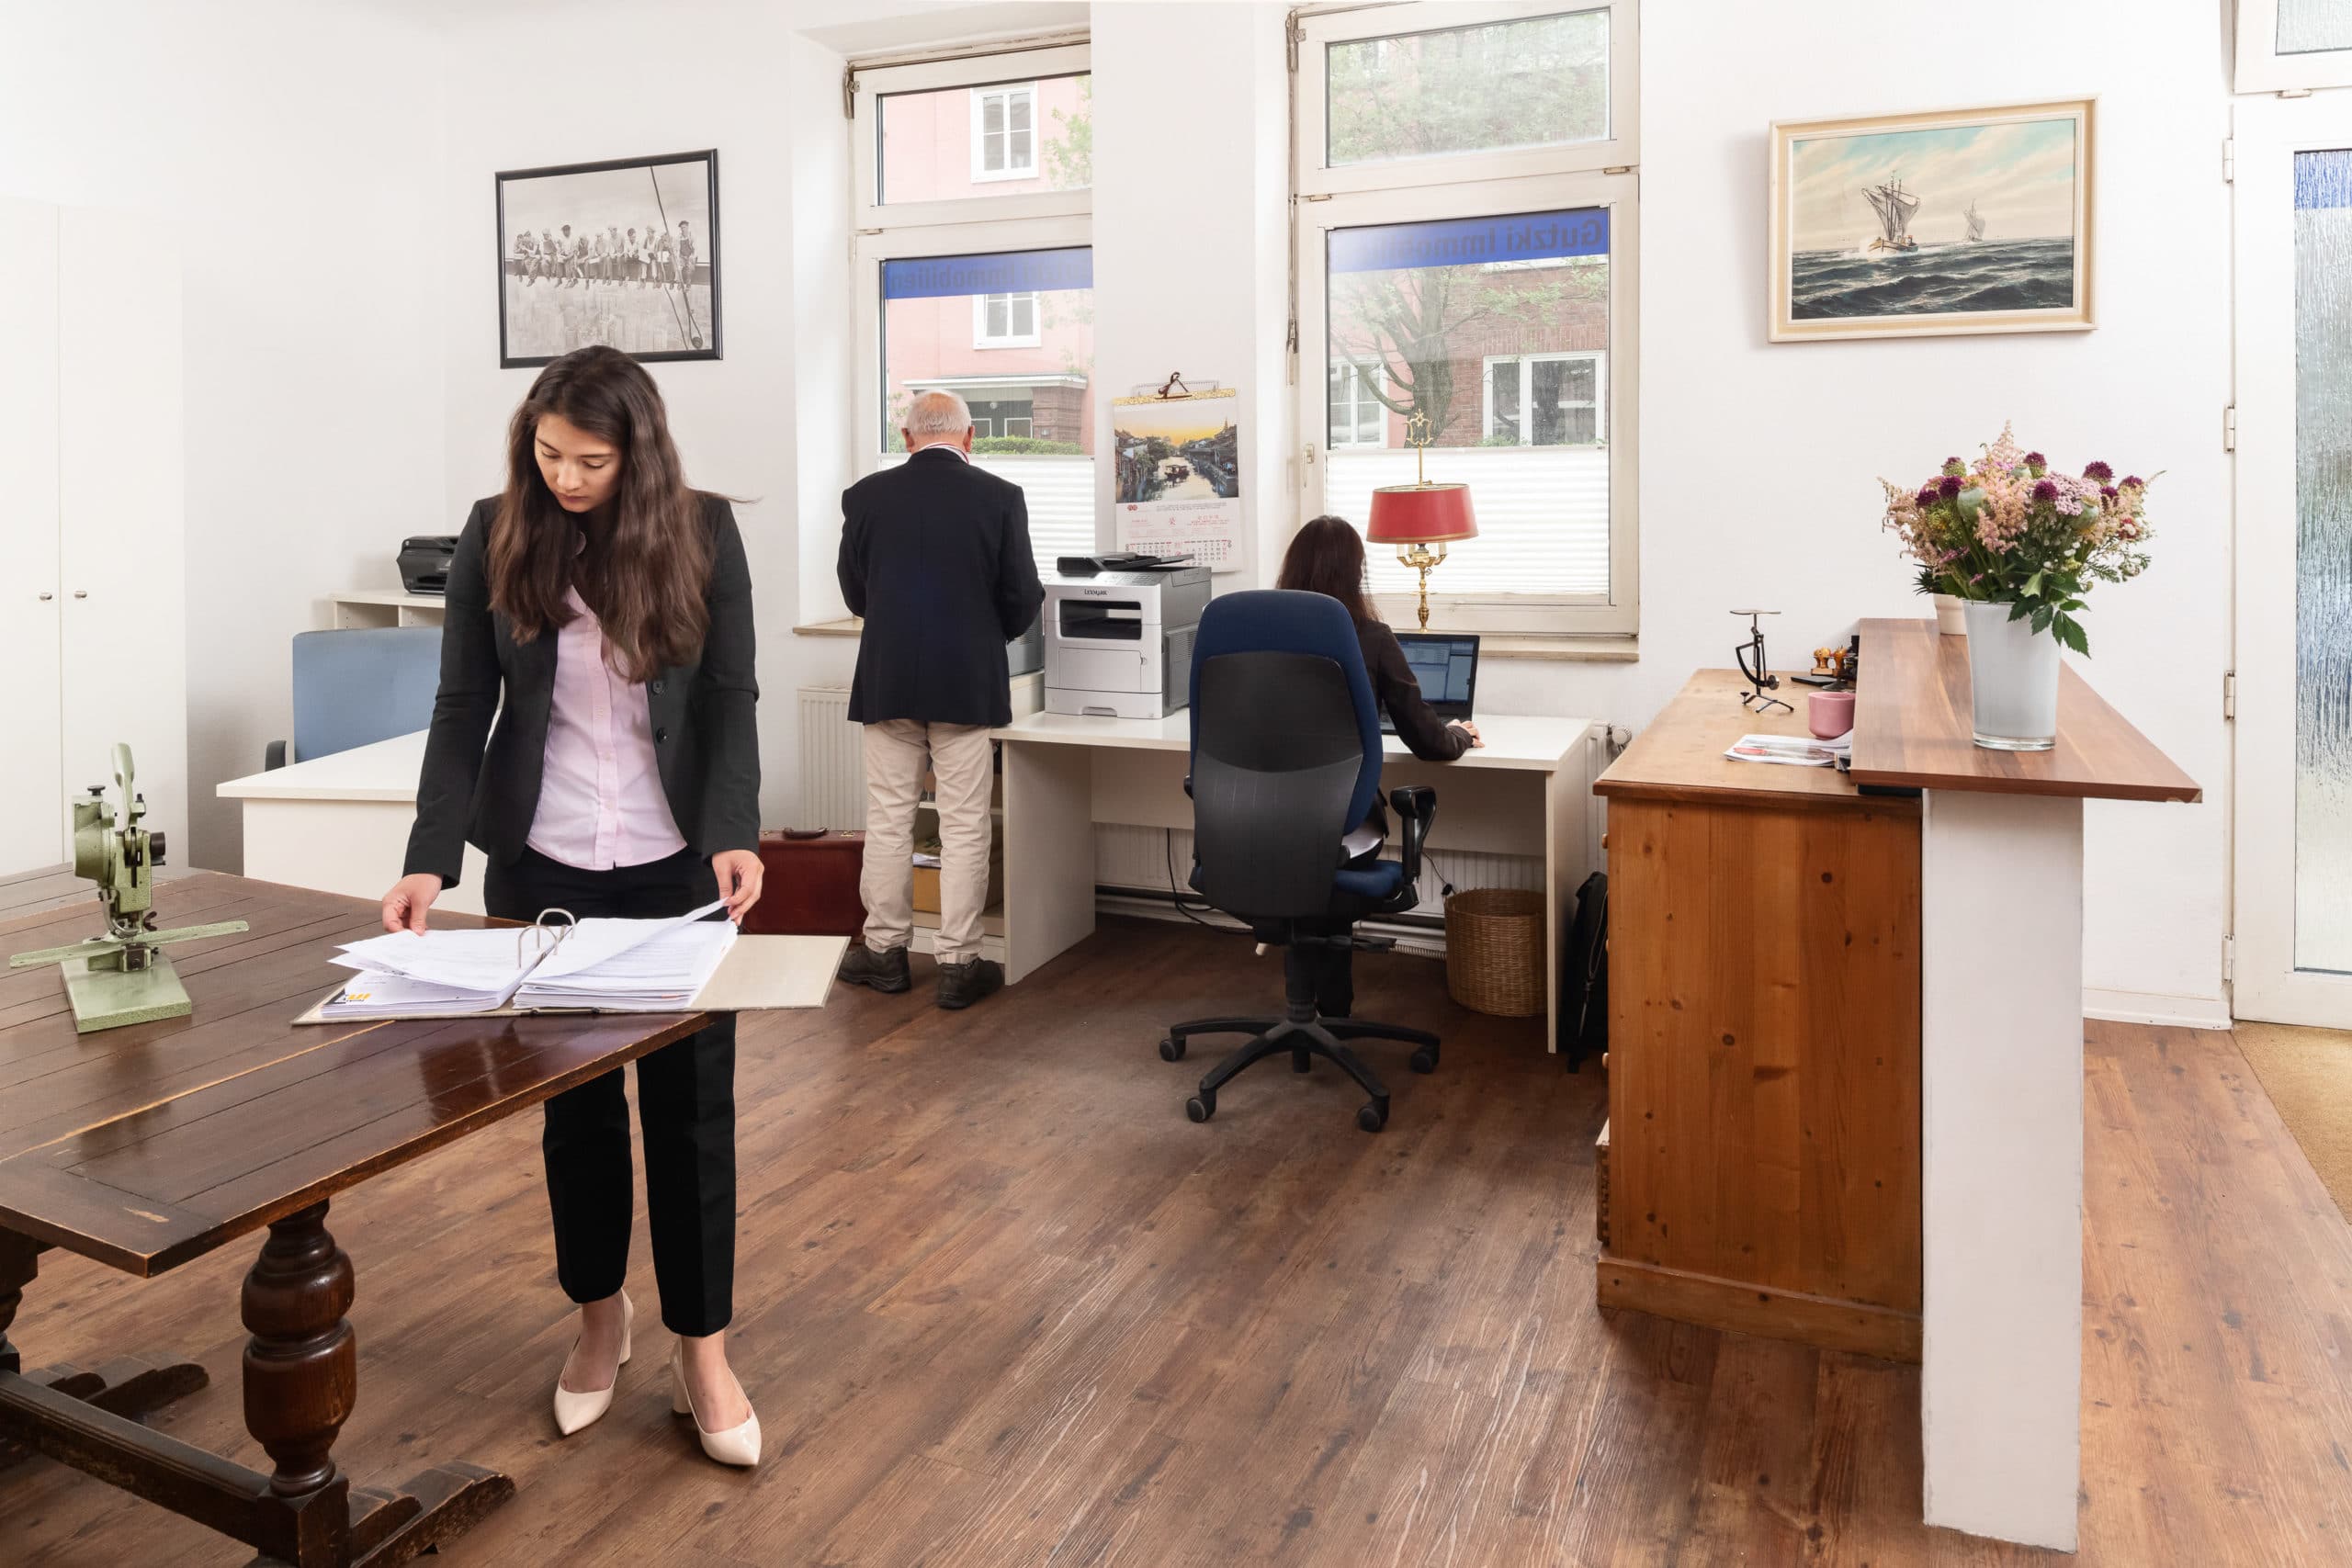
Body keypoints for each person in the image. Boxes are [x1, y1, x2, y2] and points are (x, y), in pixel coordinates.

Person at [379, 344, 765, 1468]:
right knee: (576, 1110)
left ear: (635, 452)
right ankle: (600, 1321)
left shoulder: (700, 532)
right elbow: (462, 704)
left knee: (692, 1113)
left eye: (590, 459)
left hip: (673, 865)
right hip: (544, 866)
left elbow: (732, 696)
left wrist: (735, 830)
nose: (566, 476)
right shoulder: (497, 528)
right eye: (548, 453)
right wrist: (427, 858)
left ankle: (705, 1348)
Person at [835, 389, 1043, 1009]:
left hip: (889, 677)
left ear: (907, 438)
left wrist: (898, 623)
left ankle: (885, 952)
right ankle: (957, 963)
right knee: (964, 824)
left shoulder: (866, 496)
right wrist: (983, 634)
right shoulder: (1000, 497)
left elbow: (854, 591)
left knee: (890, 818)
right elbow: (1023, 597)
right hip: (965, 680)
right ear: (970, 437)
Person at [1274, 515, 1482, 1018]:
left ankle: (1305, 1008)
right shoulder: (1369, 636)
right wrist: (1460, 733)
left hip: (1259, 825)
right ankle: (1333, 1014)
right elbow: (1429, 741)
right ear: (1356, 574)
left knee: (1302, 867)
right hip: (1343, 832)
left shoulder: (1257, 638)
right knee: (1329, 852)